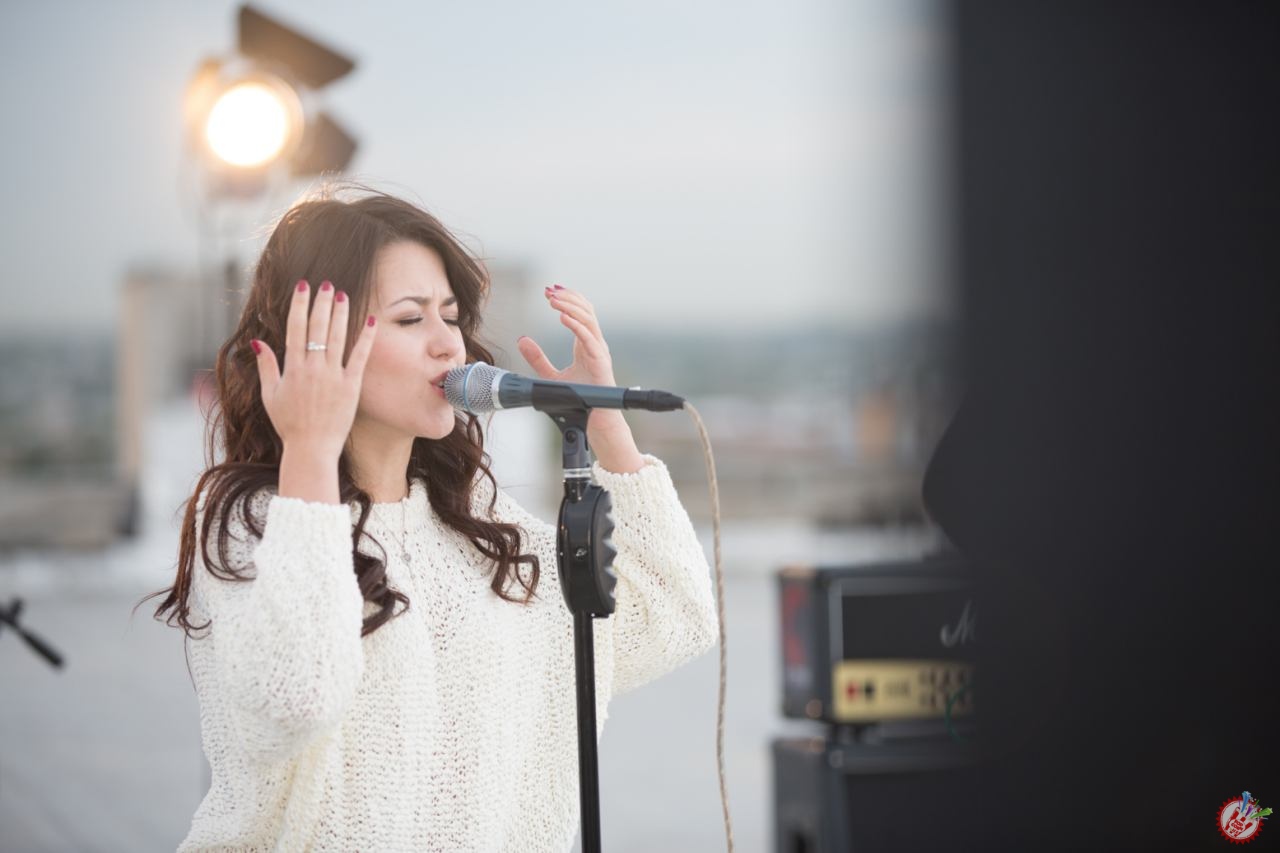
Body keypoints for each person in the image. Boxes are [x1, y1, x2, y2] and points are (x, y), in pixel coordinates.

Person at [142, 186, 719, 852]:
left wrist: (605, 426)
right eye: (411, 319)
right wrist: (311, 449)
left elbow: (673, 619)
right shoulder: (255, 520)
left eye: (451, 316)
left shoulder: (480, 526)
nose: (450, 345)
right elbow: (295, 696)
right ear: (317, 343)